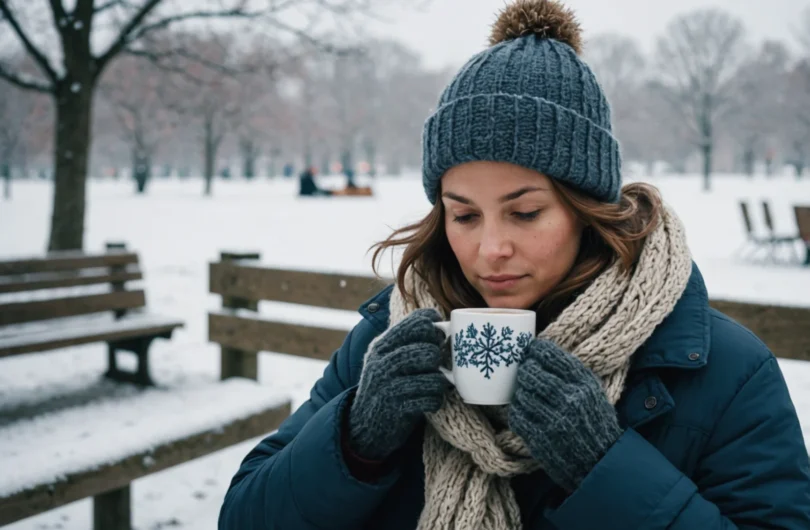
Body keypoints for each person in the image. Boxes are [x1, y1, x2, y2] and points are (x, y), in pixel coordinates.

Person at [219, 1, 810, 528]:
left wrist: (605, 467)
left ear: (587, 211)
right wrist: (355, 439)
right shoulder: (391, 338)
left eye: (524, 212)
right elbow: (245, 516)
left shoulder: (721, 369)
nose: (489, 249)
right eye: (465, 216)